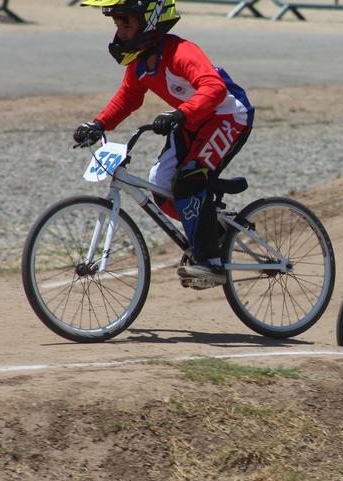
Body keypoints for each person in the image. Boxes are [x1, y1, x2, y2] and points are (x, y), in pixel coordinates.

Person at [73, 0, 254, 286]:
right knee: (161, 184)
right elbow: (128, 98)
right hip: (191, 120)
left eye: (126, 23)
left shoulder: (181, 51)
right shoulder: (140, 62)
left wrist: (181, 113)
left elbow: (214, 88)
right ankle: (212, 228)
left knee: (190, 179)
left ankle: (212, 262)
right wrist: (98, 124)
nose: (120, 32)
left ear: (150, 20)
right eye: (117, 24)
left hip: (228, 116)